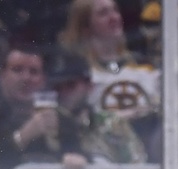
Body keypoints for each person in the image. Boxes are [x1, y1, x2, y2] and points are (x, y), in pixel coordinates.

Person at [58, 0, 160, 135]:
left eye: (115, 10)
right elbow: (73, 121)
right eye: (103, 14)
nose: (114, 17)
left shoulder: (144, 64)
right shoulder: (78, 72)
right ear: (85, 28)